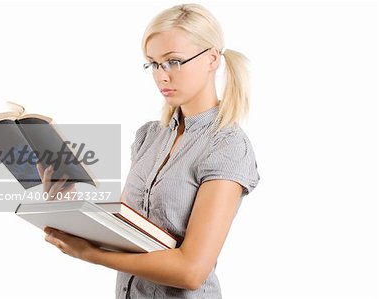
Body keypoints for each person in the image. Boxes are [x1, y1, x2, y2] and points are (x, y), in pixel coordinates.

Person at [36, 3, 260, 298]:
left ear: (212, 58)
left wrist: (90, 255)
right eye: (153, 64)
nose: (161, 75)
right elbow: (126, 233)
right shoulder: (149, 136)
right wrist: (67, 201)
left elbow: (191, 271)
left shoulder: (227, 145)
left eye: (174, 61)